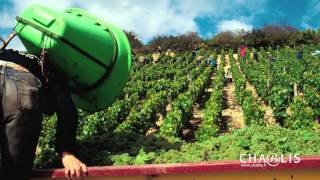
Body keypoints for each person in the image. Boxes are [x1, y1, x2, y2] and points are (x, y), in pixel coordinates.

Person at [0, 49, 87, 180]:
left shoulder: (7, 52)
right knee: (15, 174)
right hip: (22, 81)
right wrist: (67, 152)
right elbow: (66, 106)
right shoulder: (48, 66)